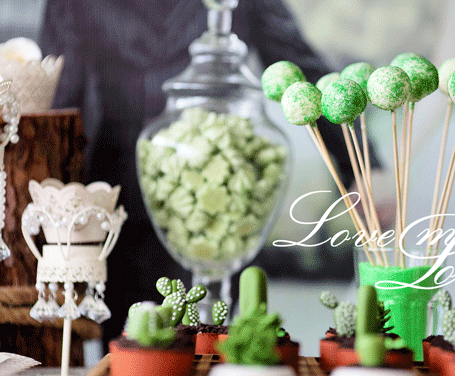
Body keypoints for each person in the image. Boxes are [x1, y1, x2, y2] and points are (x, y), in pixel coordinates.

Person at [39, 0, 379, 347]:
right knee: (129, 348)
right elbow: (56, 97)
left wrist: (364, 167)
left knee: (208, 336)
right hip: (110, 206)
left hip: (219, 207)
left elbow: (300, 73)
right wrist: (48, 200)